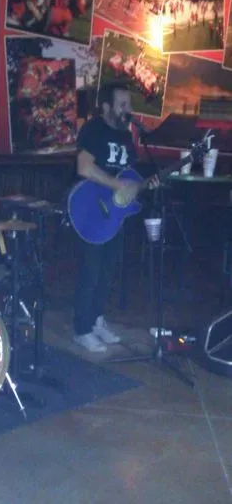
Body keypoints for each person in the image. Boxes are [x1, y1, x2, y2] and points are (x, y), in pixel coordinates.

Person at [73, 82, 157, 353]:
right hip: (90, 208)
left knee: (107, 271)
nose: (127, 110)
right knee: (90, 271)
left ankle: (96, 319)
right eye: (122, 104)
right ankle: (81, 329)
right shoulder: (93, 130)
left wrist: (144, 184)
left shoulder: (126, 136)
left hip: (114, 213)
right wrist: (118, 185)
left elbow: (129, 177)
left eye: (129, 104)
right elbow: (84, 168)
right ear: (106, 106)